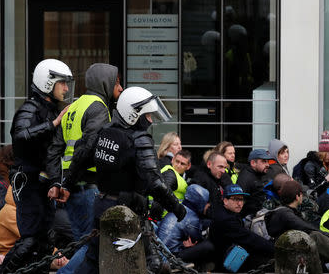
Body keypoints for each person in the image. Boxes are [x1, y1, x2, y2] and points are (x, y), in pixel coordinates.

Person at [68, 86, 186, 273]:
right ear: (133, 114)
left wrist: (66, 184)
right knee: (151, 264)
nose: (150, 120)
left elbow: (80, 158)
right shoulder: (138, 138)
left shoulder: (105, 131)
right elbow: (154, 183)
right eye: (147, 116)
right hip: (128, 210)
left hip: (102, 204)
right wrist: (178, 208)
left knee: (91, 261)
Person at [0, 59, 74, 273]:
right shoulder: (30, 109)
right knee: (30, 239)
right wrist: (53, 124)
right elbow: (20, 136)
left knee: (45, 242)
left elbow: (51, 153)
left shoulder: (50, 109)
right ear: (48, 82)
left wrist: (55, 181)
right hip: (28, 182)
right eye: (62, 83)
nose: (66, 88)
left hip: (43, 184)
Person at [47, 63, 123, 242]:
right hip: (88, 184)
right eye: (116, 83)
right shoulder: (99, 108)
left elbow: (54, 150)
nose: (120, 88)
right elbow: (89, 149)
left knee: (82, 240)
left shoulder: (73, 106)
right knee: (91, 243)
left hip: (72, 185)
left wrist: (58, 182)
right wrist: (66, 183)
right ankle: (65, 272)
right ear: (104, 83)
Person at [265, 180, 329, 267]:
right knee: (315, 235)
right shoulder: (285, 214)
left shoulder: (284, 212)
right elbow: (305, 227)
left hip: (292, 252)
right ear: (297, 196)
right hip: (293, 255)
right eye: (301, 194)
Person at [209, 184, 274, 272]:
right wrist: (274, 248)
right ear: (225, 201)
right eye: (235, 199)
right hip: (228, 260)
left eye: (241, 199)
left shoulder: (228, 212)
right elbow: (250, 238)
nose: (240, 203)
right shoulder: (225, 220)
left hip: (234, 252)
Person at [157, 184, 212, 265]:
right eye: (206, 202)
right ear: (200, 202)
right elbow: (197, 240)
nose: (208, 205)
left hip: (161, 251)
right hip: (171, 256)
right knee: (207, 246)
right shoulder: (192, 218)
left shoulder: (179, 208)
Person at [301, 131, 329, 195]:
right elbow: (312, 192)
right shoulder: (310, 166)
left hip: (328, 196)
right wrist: (327, 178)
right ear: (322, 152)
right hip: (316, 201)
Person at [189, 152, 228, 217]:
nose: (223, 171)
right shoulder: (201, 178)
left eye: (225, 167)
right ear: (209, 164)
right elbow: (195, 203)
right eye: (220, 167)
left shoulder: (219, 178)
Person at [237, 149, 272, 218]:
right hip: (250, 221)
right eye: (264, 161)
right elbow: (239, 204)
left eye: (268, 161)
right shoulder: (246, 178)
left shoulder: (259, 173)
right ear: (253, 163)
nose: (268, 165)